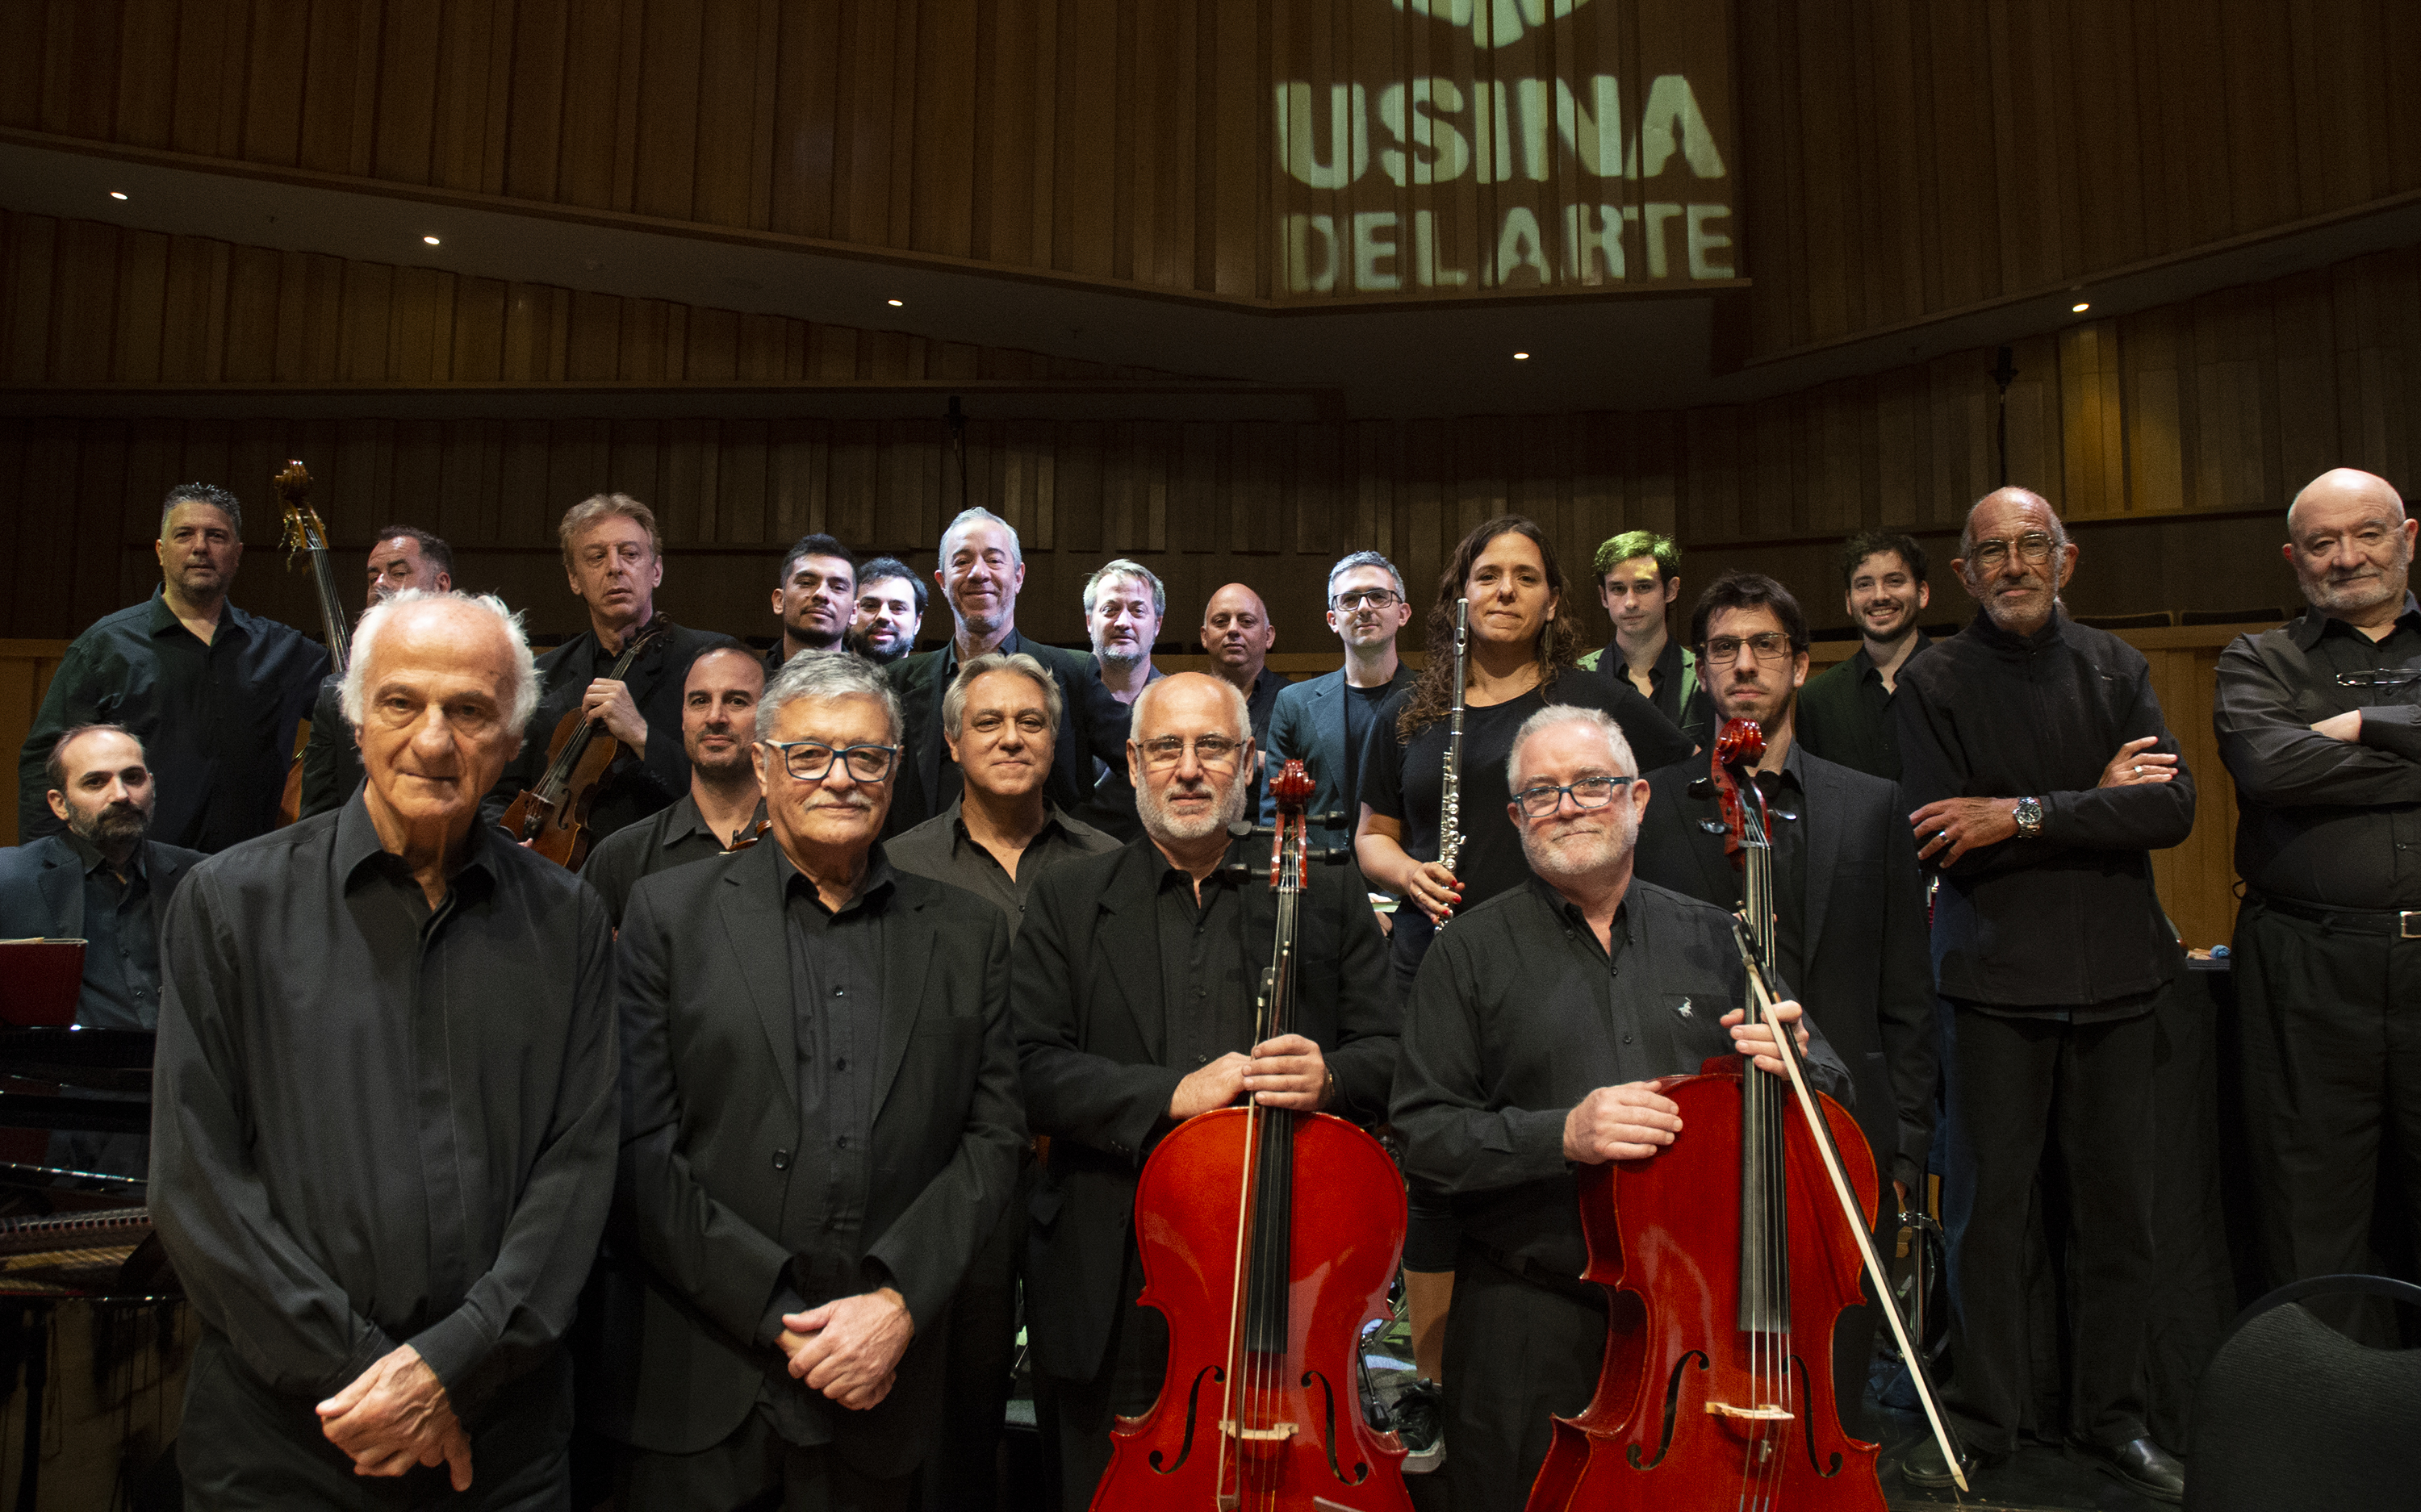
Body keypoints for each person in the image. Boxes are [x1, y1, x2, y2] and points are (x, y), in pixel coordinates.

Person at [150, 590, 619, 1508]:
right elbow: (197, 1179)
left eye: (471, 710)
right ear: (355, 717)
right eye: (402, 702)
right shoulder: (226, 904)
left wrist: (453, 1367)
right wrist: (381, 1378)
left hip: (501, 1441)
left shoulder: (569, 920)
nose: (434, 741)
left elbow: (578, 1172)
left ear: (515, 736)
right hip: (286, 1439)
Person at [1389, 704, 1847, 1512]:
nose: (1569, 803)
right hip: (1530, 1319)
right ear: (1515, 816)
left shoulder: (1722, 935)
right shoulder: (1465, 950)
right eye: (1543, 790)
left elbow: (1834, 1102)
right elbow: (1425, 1137)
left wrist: (1805, 1066)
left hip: (1706, 1327)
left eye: (1592, 783)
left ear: (1636, 797)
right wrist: (1560, 1133)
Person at [597, 653, 1025, 1509]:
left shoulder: (969, 933)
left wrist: (898, 1301)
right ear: (762, 762)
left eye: (866, 756)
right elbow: (640, 1149)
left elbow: (995, 1139)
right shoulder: (665, 915)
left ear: (896, 770)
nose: (840, 777)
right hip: (703, 1388)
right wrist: (778, 1314)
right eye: (810, 754)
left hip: (895, 1387)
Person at [1013, 672, 1400, 1511]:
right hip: (1112, 1274)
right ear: (1134, 762)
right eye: (1166, 748)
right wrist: (1170, 1093)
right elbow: (1028, 1066)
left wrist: (1330, 1075)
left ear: (1252, 763)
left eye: (1213, 747)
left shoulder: (1324, 893)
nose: (1189, 768)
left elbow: (1397, 1055)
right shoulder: (1069, 897)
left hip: (1284, 1270)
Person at [1894, 487, 2194, 1502]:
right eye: (1993, 552)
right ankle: (1983, 1419)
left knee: (2118, 1220)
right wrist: (2091, 797)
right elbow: (1943, 833)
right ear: (1965, 572)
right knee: (1990, 1220)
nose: (2015, 565)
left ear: (2068, 560)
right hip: (1992, 988)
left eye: (2034, 547)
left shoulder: (2119, 665)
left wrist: (2020, 809)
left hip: (2119, 980)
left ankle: (2113, 1420)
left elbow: (2171, 809)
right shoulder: (1934, 678)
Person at [1631, 570, 1935, 1437]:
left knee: (1832, 1362)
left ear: (1801, 665)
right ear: (1701, 668)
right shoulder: (1651, 805)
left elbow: (1904, 990)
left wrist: (1906, 1143)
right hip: (1698, 1123)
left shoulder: (1869, 804)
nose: (1745, 663)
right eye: (1724, 647)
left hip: (1841, 1124)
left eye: (1766, 644)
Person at [887, 654, 1121, 1512]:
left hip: (1077, 1174)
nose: (1011, 736)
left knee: (1083, 1413)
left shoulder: (1108, 862)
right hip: (950, 1180)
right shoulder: (900, 863)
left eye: (1030, 720)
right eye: (987, 721)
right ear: (951, 740)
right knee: (954, 1416)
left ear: (1056, 738)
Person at [2213, 467, 2421, 1318]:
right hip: (2306, 966)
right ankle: (2318, 1427)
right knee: (2307, 1206)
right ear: (2295, 558)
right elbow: (2271, 765)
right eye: (2323, 543)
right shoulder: (2259, 657)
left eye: (2367, 533)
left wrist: (2368, 724)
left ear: (2409, 539)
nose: (2347, 557)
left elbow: (2312, 762)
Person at [1357, 515, 1693, 995]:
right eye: (1488, 576)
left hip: (1559, 961)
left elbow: (1692, 780)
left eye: (1527, 578)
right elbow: (1373, 836)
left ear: (1552, 603)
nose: (1506, 591)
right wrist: (1410, 875)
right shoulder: (1406, 710)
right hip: (1431, 958)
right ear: (1463, 597)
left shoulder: (1596, 701)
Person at [19, 482, 328, 852]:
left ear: (237, 554)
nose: (200, 547)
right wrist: (50, 872)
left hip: (245, 877)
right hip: (134, 877)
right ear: (161, 552)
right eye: (185, 535)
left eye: (216, 536)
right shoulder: (104, 647)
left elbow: (361, 701)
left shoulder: (284, 651)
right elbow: (46, 764)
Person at [0, 725, 206, 1177]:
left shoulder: (200, 877)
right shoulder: (8, 880)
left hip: (179, 1114)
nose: (121, 794)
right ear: (59, 803)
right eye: (96, 782)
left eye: (134, 778)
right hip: (63, 1119)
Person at [481, 494, 733, 848]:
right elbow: (497, 792)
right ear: (574, 579)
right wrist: (507, 844)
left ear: (656, 570)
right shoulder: (541, 675)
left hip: (672, 862)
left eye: (629, 554)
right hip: (556, 871)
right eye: (596, 557)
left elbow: (735, 782)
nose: (614, 567)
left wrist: (641, 735)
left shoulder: (711, 660)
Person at [884, 508, 1131, 841]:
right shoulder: (896, 682)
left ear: (1018, 576)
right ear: (942, 582)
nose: (978, 573)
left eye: (994, 560)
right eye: (962, 561)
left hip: (1046, 879)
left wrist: (1081, 833)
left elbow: (1144, 758)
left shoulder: (1072, 673)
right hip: (922, 877)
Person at [578, 645, 767, 926]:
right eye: (700, 701)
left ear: (769, 719)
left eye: (737, 701)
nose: (715, 717)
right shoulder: (622, 856)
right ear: (683, 717)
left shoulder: (802, 842)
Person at [299, 525, 454, 817]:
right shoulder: (335, 693)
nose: (380, 584)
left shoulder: (481, 683)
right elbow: (317, 816)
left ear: (441, 585)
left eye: (398, 573)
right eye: (373, 577)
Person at [1269, 550, 1419, 830]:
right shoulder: (1293, 704)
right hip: (1318, 870)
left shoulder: (1434, 701)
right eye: (1350, 599)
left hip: (1407, 869)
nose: (1364, 607)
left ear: (1403, 613)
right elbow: (1274, 816)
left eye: (1378, 596)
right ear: (1333, 620)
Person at [1796, 530, 1934, 782]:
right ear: (1849, 601)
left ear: (1922, 593)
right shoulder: (1817, 698)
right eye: (1864, 584)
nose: (1879, 596)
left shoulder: (1960, 680)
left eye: (1894, 581)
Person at [1576, 529, 1712, 750]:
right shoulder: (1578, 677)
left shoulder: (1705, 677)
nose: (1630, 602)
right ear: (1604, 597)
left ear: (1671, 590)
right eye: (1618, 589)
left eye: (1643, 587)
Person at [1198, 583, 1288, 822]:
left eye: (1246, 622)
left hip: (1267, 833)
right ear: (1204, 637)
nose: (1233, 630)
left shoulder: (1294, 700)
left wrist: (1252, 759)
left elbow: (1311, 775)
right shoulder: (1186, 700)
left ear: (1268, 636)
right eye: (1221, 622)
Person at [769, 533, 859, 670]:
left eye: (838, 587)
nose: (821, 594)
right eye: (806, 583)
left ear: (854, 612)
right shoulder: (750, 681)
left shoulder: (872, 689)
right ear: (780, 601)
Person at [1083, 560, 1165, 706]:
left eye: (1138, 611)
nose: (1123, 622)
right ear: (1089, 621)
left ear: (1157, 625)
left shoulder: (1178, 701)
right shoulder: (1059, 697)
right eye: (1110, 610)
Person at [848, 558, 926, 666]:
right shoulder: (822, 681)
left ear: (917, 622)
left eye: (898, 608)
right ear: (851, 614)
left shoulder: (936, 682)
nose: (883, 616)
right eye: (870, 606)